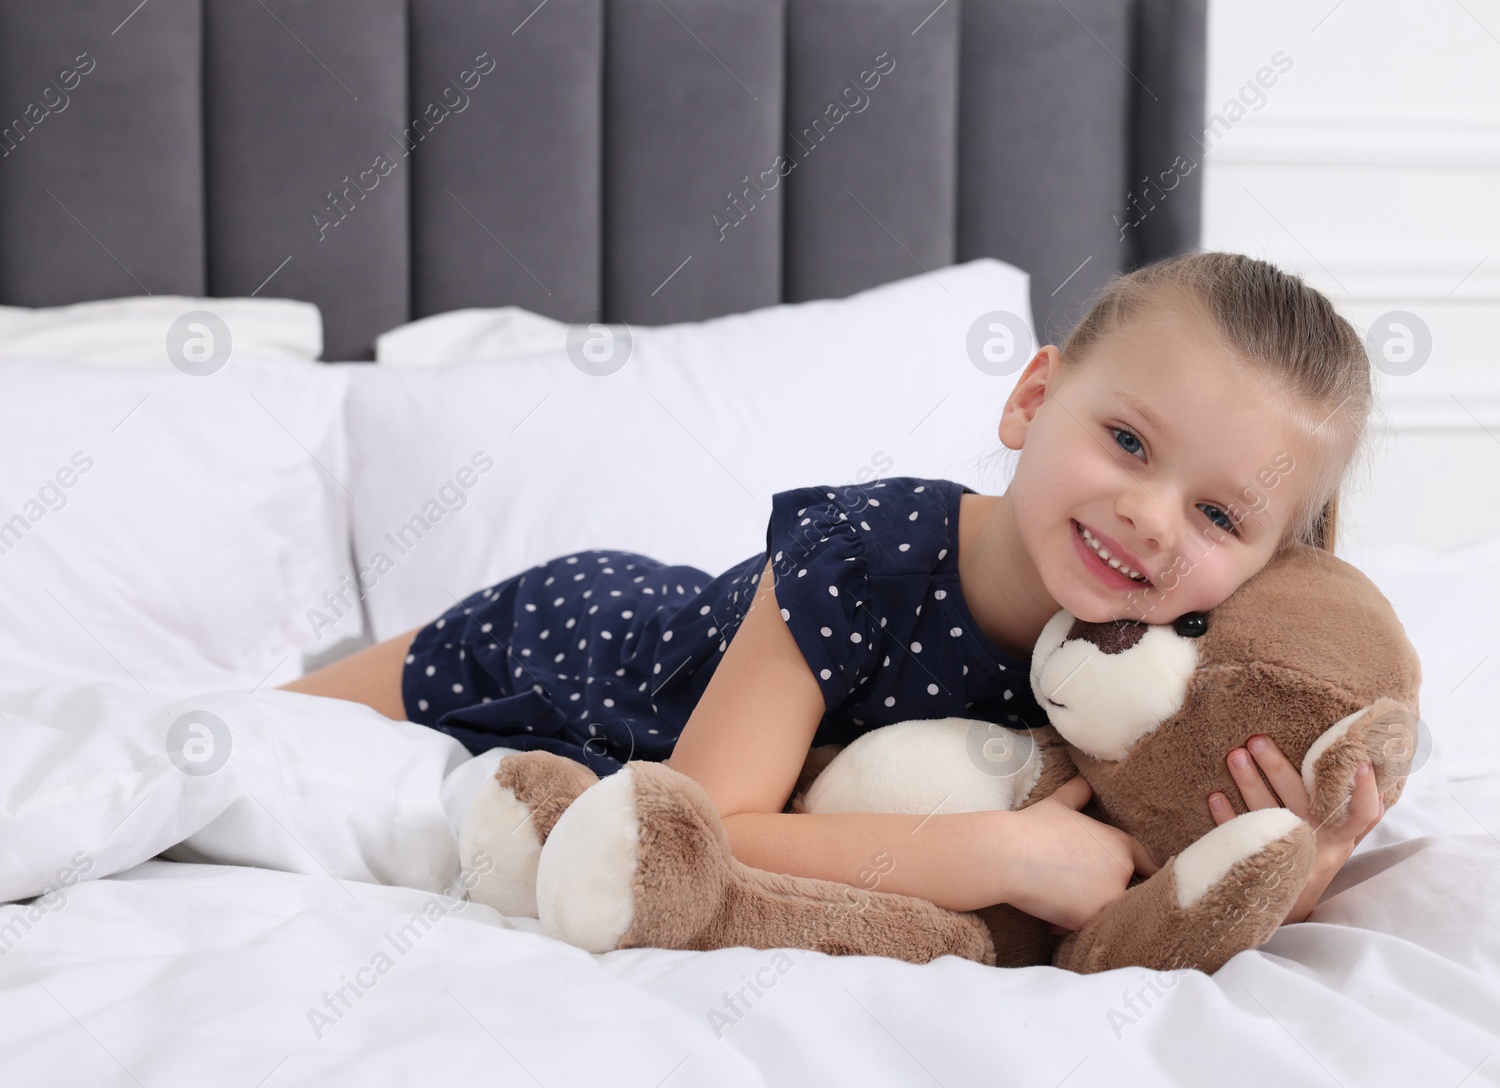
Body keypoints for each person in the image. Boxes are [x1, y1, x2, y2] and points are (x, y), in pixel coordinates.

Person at [282, 251, 1386, 934]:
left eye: (1219, 515)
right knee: (270, 726)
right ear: (1032, 397)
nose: (1153, 516)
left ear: (1274, 565)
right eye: (1128, 439)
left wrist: (1308, 856)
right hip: (580, 652)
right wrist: (986, 855)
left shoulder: (1170, 662)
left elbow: (1146, 882)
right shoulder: (868, 552)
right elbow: (708, 822)